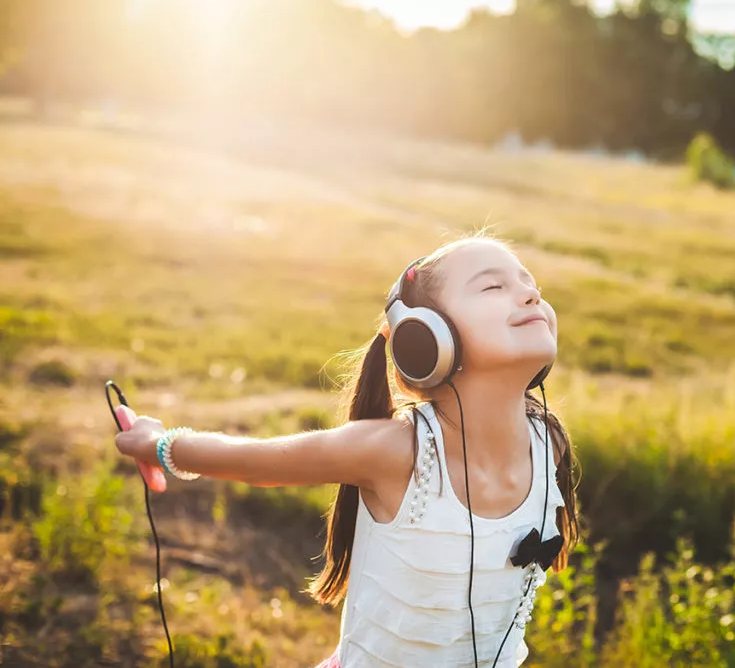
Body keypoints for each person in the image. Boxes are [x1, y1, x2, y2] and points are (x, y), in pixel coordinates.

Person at [114, 233, 580, 667]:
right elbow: (257, 461)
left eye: (530, 283)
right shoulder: (398, 453)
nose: (529, 295)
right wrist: (158, 444)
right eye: (493, 287)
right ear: (426, 339)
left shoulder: (549, 445)